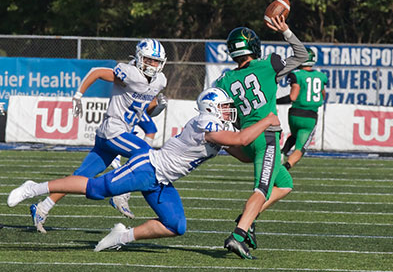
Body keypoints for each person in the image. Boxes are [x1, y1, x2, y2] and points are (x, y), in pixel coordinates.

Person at [8, 87, 281, 253]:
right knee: (96, 188)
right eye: (224, 107)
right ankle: (35, 188)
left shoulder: (218, 128)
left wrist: (267, 146)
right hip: (148, 168)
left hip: (161, 181)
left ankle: (122, 236)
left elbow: (243, 153)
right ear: (210, 108)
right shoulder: (205, 123)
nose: (228, 112)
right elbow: (241, 139)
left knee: (176, 226)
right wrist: (268, 119)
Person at [30, 38, 168, 233]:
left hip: (117, 133)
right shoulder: (129, 73)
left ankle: (42, 207)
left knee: (82, 175)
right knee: (145, 154)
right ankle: (122, 194)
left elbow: (142, 109)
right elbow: (96, 72)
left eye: (156, 61)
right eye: (149, 60)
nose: (153, 65)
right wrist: (78, 95)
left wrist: (158, 107)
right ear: (139, 57)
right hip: (113, 129)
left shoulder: (160, 81)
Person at [214, 15, 308, 259]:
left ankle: (248, 216)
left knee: (285, 184)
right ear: (253, 46)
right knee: (262, 189)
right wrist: (286, 30)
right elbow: (302, 56)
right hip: (266, 136)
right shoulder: (268, 64)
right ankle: (238, 235)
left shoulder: (224, 80)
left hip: (247, 135)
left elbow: (225, 115)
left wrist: (241, 128)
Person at [277, 47, 327, 170]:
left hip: (294, 114)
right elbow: (323, 94)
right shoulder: (321, 76)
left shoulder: (296, 74)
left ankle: (282, 153)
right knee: (300, 148)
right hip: (310, 116)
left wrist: (276, 101)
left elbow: (292, 97)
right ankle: (286, 167)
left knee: (294, 135)